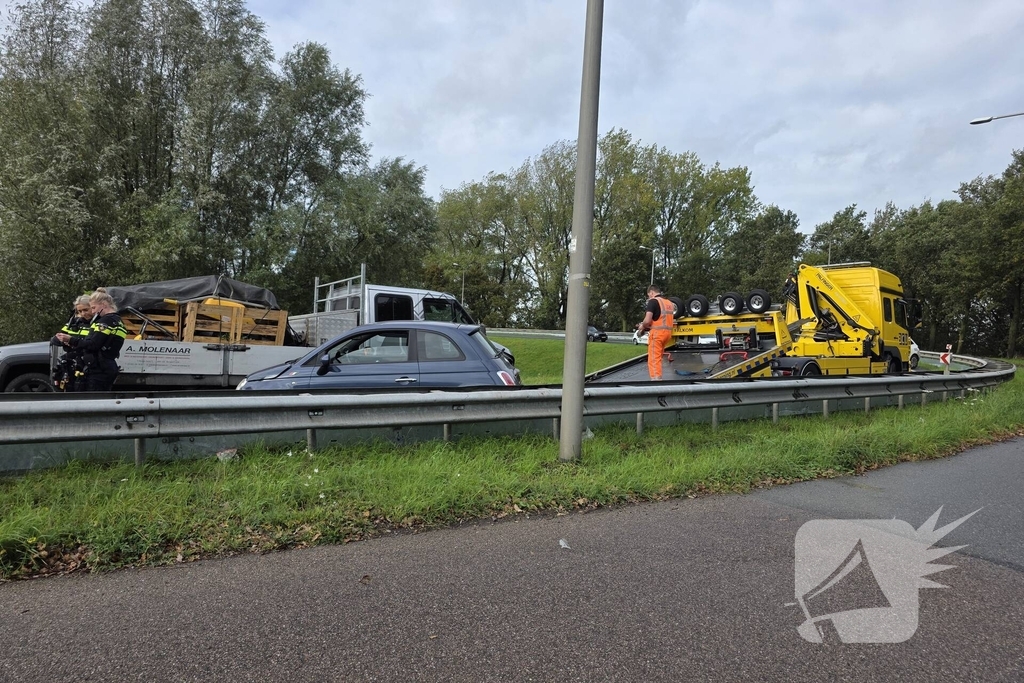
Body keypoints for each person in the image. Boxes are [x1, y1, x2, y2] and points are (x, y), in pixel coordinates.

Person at [55, 288, 128, 392]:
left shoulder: (105, 321)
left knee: (92, 401)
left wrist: (71, 340)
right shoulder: (117, 320)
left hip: (100, 369)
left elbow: (94, 344)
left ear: (103, 305)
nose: (93, 311)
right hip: (105, 366)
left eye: (93, 308)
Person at [50, 295, 94, 391]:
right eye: (79, 311)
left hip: (88, 365)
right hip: (71, 364)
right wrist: (65, 341)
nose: (83, 314)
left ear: (93, 307)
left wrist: (72, 340)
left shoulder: (97, 324)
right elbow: (55, 339)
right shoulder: (74, 323)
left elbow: (91, 343)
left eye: (86, 310)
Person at [637, 284, 675, 381]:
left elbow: (647, 320)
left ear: (652, 292)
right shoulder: (669, 303)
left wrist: (642, 326)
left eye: (648, 295)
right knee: (658, 357)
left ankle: (656, 381)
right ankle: (657, 378)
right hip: (667, 334)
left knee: (654, 359)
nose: (649, 297)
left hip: (657, 335)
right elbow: (661, 319)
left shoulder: (653, 301)